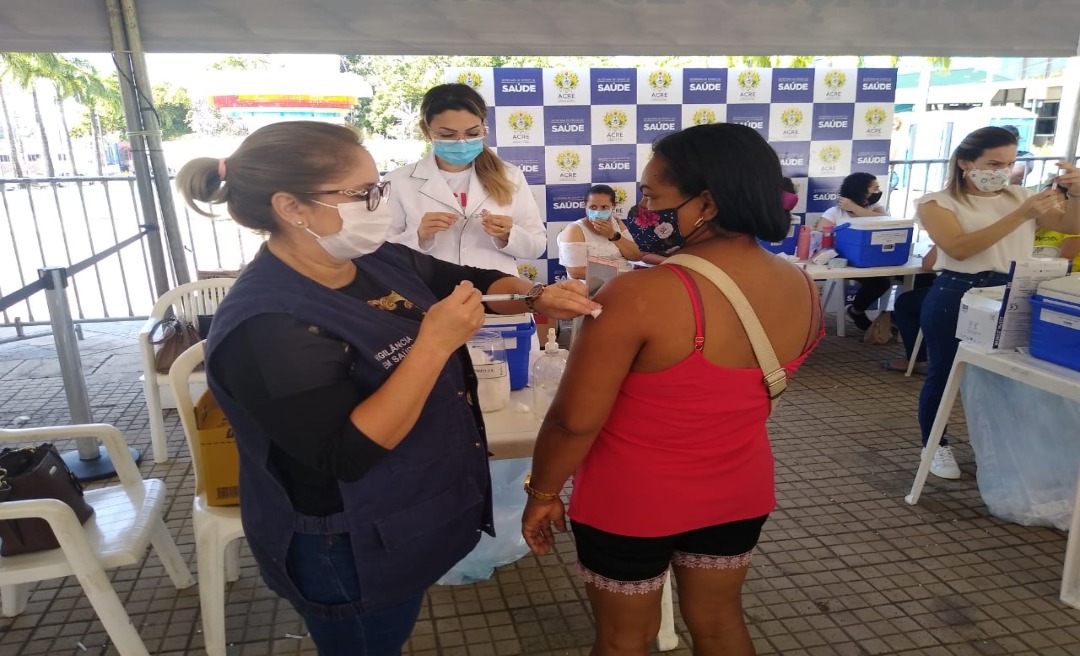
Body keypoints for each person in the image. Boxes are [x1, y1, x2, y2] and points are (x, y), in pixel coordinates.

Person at [175, 121, 597, 656]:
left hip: (402, 514)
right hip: (344, 542)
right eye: (363, 194)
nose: (380, 204)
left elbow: (466, 279)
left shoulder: (372, 259)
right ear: (292, 207)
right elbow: (345, 453)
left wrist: (536, 296)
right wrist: (433, 345)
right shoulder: (268, 325)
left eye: (379, 188)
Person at [521, 123, 823, 656]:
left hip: (629, 500)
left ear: (706, 203)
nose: (642, 211)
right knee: (720, 623)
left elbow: (574, 422)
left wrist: (542, 493)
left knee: (624, 640)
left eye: (651, 197)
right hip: (738, 490)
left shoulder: (638, 294)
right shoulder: (801, 284)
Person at [914, 126, 1080, 480]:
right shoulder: (936, 203)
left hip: (1011, 291)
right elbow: (958, 248)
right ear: (965, 163)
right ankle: (934, 445)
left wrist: (1077, 193)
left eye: (1008, 163)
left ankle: (1001, 450)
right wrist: (1021, 215)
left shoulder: (1020, 195)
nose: (1002, 172)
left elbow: (1070, 224)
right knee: (944, 373)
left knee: (1010, 377)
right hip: (958, 291)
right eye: (993, 163)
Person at [385, 83, 546, 276]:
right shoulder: (399, 181)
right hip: (430, 289)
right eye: (447, 135)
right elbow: (382, 254)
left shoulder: (510, 176)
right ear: (426, 131)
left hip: (497, 289)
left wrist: (508, 234)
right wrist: (419, 236)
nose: (461, 143)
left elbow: (537, 247)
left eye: (472, 133)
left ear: (483, 128)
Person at [814, 172, 895, 331]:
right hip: (848, 263)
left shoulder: (876, 208)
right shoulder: (835, 212)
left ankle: (899, 318)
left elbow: (886, 223)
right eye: (874, 188)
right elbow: (821, 233)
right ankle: (856, 311)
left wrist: (855, 208)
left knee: (924, 278)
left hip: (879, 259)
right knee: (880, 282)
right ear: (861, 190)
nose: (878, 191)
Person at [557, 184, 642, 280]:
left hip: (626, 280)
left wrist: (612, 235)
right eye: (593, 207)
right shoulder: (575, 229)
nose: (598, 212)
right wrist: (622, 277)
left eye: (604, 207)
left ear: (613, 206)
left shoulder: (616, 222)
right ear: (585, 206)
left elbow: (636, 256)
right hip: (596, 285)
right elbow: (576, 271)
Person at [882, 246, 937, 375]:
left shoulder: (954, 236)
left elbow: (928, 264)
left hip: (959, 292)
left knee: (905, 303)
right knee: (926, 281)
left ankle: (918, 360)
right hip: (983, 295)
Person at [1033, 183, 1080, 269]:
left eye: (1050, 199)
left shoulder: (1073, 228)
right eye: (1041, 199)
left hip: (1063, 275)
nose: (1044, 203)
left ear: (1068, 203)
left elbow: (1063, 261)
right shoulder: (1036, 226)